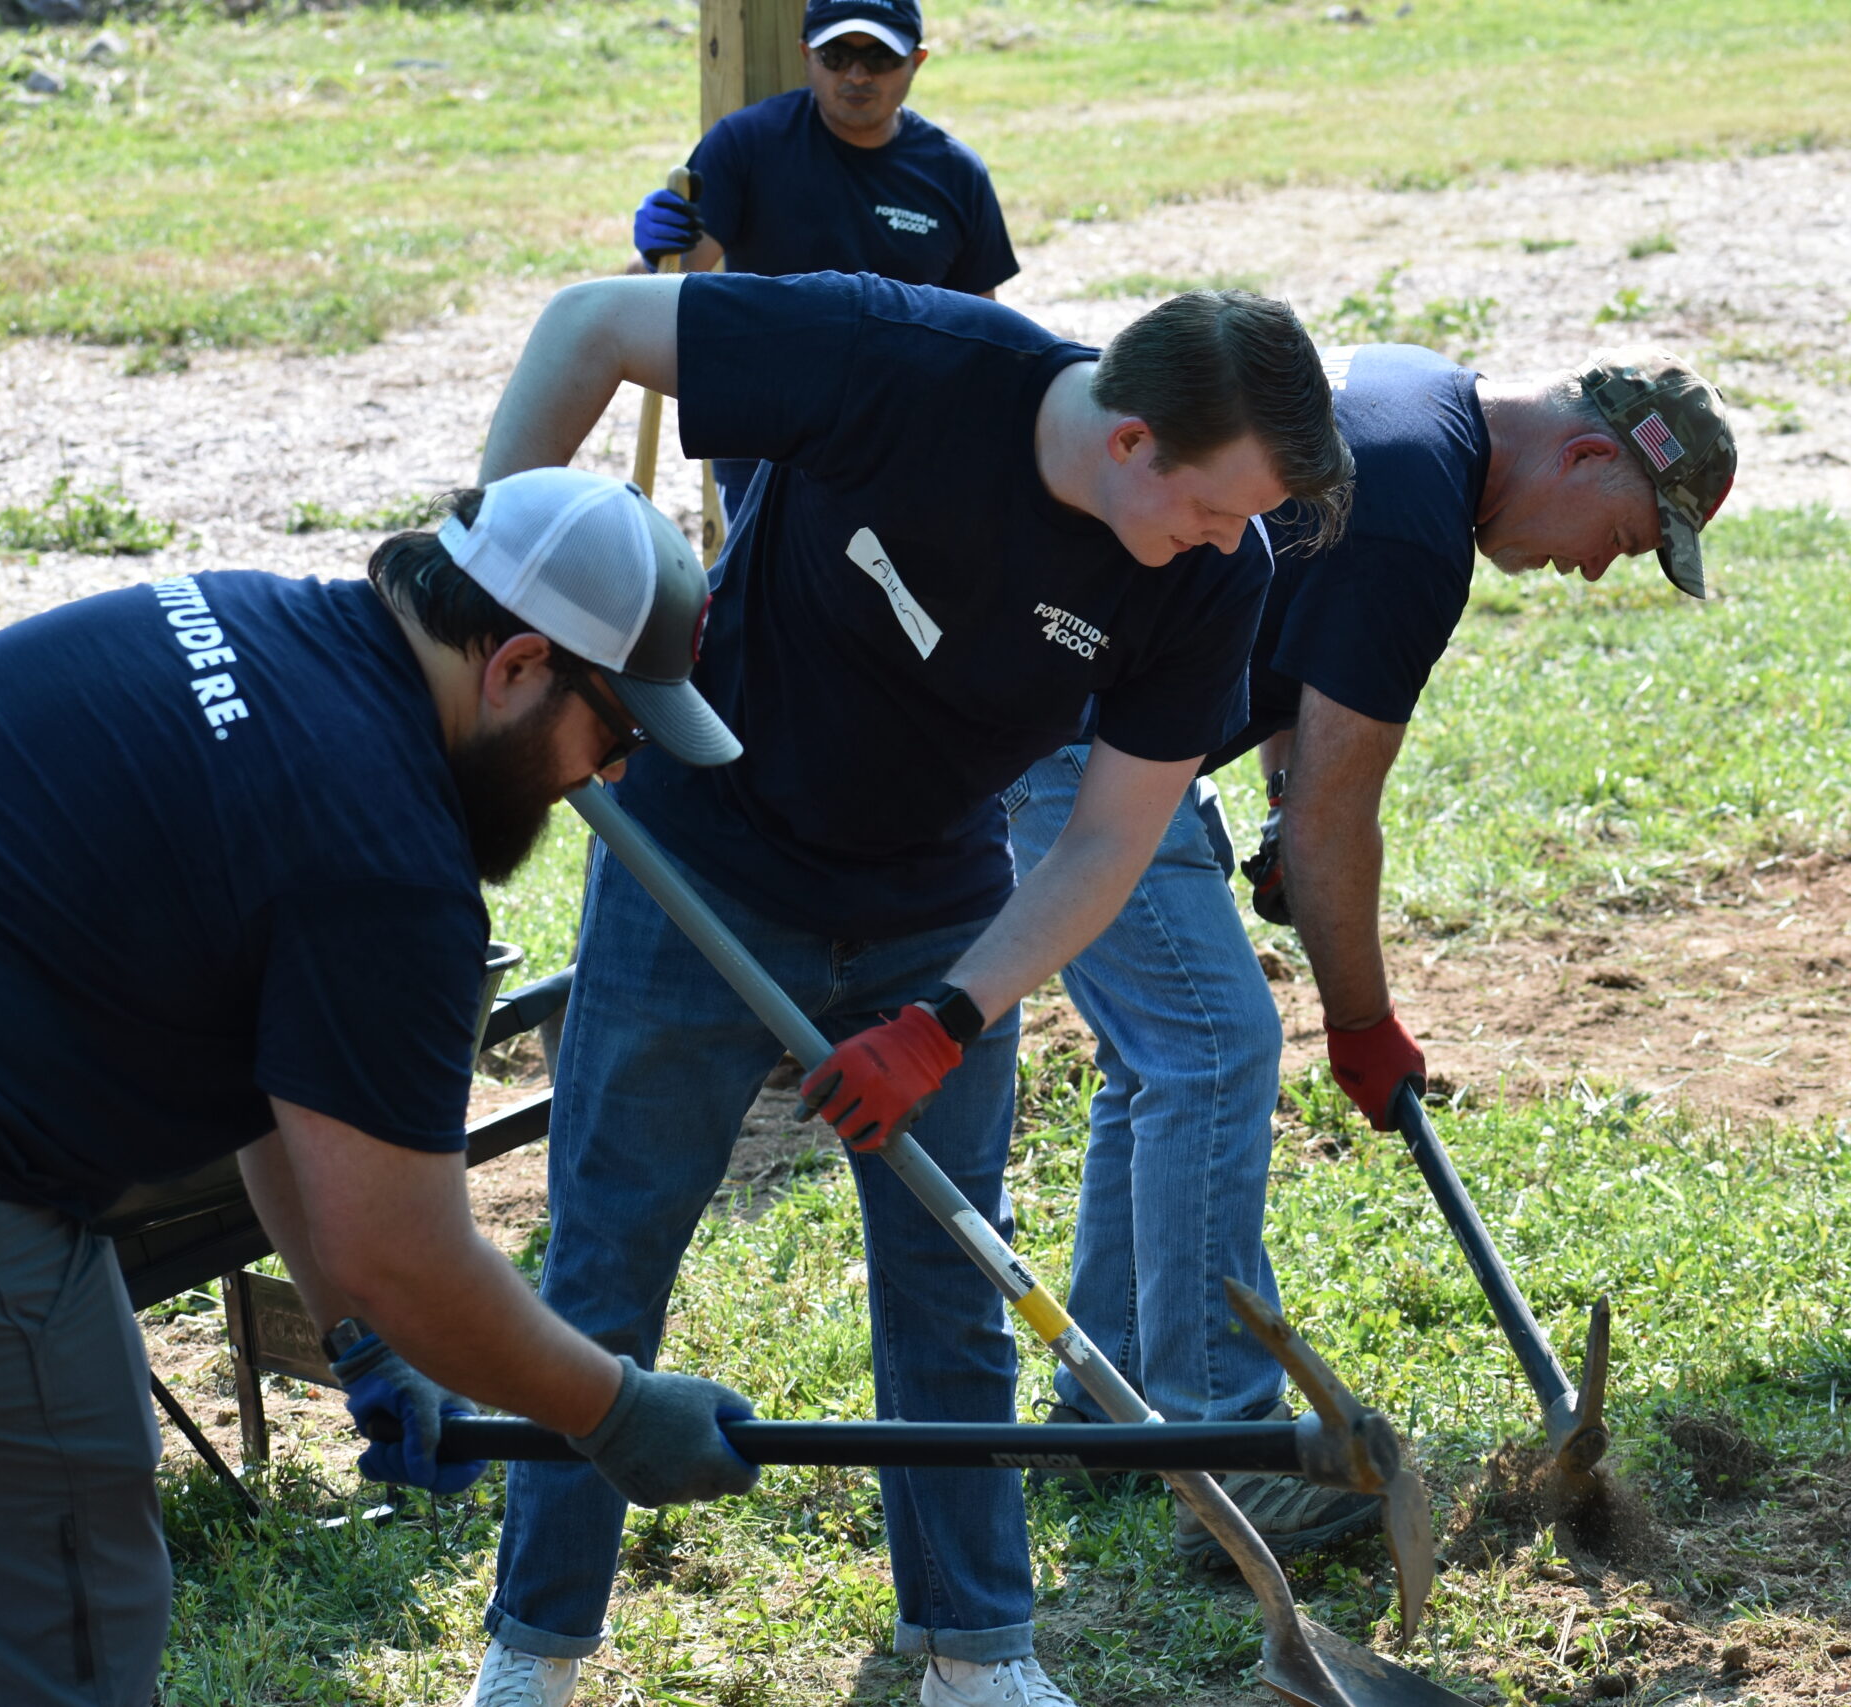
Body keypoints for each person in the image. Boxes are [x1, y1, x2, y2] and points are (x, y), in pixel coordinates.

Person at [461, 270, 1350, 1707]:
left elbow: (1111, 835)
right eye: (1215, 504)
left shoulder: (1208, 578)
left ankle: (977, 1651)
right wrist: (499, 569)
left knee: (953, 1287)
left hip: (934, 905)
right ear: (1132, 440)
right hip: (700, 857)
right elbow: (591, 325)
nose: (1227, 540)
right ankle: (535, 1648)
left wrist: (947, 1016)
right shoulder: (901, 360)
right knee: (608, 1262)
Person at [0, 469, 765, 1704]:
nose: (610, 778)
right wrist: (616, 1414)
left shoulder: (244, 617)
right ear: (518, 667)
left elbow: (274, 1084)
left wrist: (359, 1341)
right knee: (46, 1650)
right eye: (615, 735)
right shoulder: (385, 862)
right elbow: (405, 1251)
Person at [1006, 346, 1734, 1564]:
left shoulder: (1416, 402)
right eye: (1627, 533)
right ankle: (1221, 1451)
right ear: (1589, 454)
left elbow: (1294, 650)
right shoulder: (1413, 524)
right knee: (1213, 1047)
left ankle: (1111, 1404)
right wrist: (1362, 1023)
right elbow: (1347, 807)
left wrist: (1284, 802)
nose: (1603, 567)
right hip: (1080, 743)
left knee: (1162, 1058)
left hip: (1097, 725)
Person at [632, 0, 1018, 522]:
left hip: (900, 448)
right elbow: (662, 292)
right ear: (805, 55)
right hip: (764, 450)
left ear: (917, 61)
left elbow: (981, 338)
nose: (856, 75)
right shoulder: (745, 145)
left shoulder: (955, 174)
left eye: (879, 57)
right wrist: (653, 254)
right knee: (765, 601)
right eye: (835, 55)